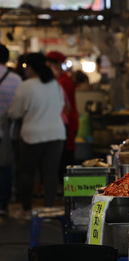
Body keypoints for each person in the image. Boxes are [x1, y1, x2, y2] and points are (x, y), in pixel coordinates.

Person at [8, 53, 66, 220]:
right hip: (56, 134)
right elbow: (61, 105)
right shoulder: (55, 84)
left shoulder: (26, 86)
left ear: (30, 68)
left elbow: (15, 112)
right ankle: (48, 210)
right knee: (50, 173)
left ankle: (26, 210)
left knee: (27, 172)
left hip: (32, 135)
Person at [46, 51, 79, 172]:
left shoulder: (63, 81)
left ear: (57, 64)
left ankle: (65, 185)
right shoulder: (61, 79)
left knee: (65, 155)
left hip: (68, 122)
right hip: (66, 121)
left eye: (49, 65)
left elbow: (66, 106)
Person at [0, 44, 22, 217]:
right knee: (6, 167)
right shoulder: (15, 80)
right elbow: (20, 109)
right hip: (8, 132)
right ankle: (3, 204)